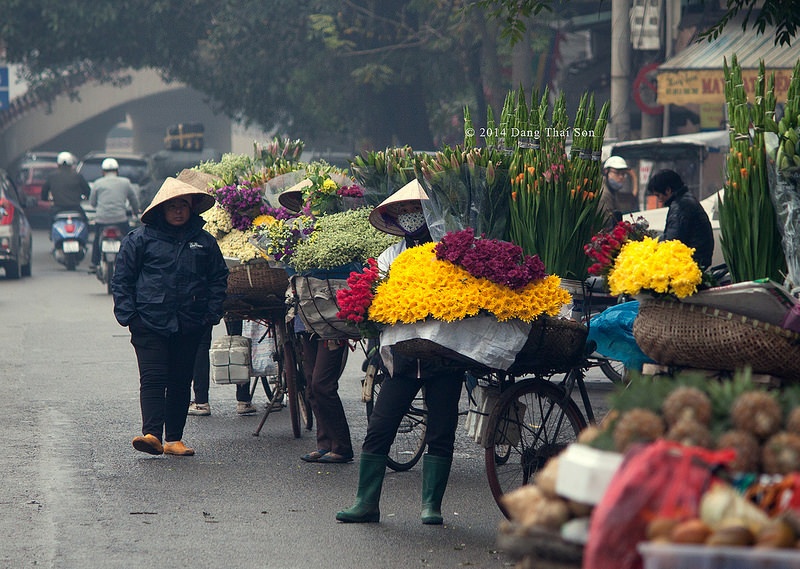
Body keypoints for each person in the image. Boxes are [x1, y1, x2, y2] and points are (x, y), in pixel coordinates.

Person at [336, 179, 464, 525]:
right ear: (394, 218)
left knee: (441, 430)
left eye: (415, 209)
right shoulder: (390, 256)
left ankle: (431, 506)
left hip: (445, 355)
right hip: (402, 359)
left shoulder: (448, 249)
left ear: (428, 213)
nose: (409, 215)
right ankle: (366, 503)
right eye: (402, 210)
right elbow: (375, 299)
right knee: (380, 426)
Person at [111, 177, 228, 456]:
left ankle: (174, 439)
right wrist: (130, 317)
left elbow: (218, 278)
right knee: (153, 378)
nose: (178, 211)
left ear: (191, 209)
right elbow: (122, 280)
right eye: (172, 206)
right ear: (161, 209)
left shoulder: (204, 242)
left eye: (183, 206)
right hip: (149, 322)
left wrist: (210, 314)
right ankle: (151, 434)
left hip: (190, 323)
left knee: (180, 380)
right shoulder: (139, 239)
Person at [188, 318, 259, 417]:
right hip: (233, 303)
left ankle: (201, 402)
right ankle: (244, 400)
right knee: (237, 338)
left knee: (202, 342)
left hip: (207, 305)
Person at [646, 168, 714, 269]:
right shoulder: (686, 200)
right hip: (698, 259)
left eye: (658, 195)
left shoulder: (680, 206)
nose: (659, 200)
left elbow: (672, 241)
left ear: (668, 190)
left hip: (691, 263)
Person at [89, 158, 141, 271]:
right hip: (120, 219)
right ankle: (132, 261)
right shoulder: (125, 182)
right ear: (117, 170)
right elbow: (134, 200)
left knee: (97, 237)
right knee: (129, 240)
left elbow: (92, 203)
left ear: (103, 171)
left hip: (101, 219)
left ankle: (94, 262)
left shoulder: (97, 183)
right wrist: (136, 212)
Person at [41, 151, 91, 222]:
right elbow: (87, 191)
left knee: (51, 223)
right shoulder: (78, 176)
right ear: (71, 164)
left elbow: (44, 192)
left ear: (58, 164)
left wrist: (45, 199)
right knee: (85, 223)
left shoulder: (52, 176)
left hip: (57, 208)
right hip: (75, 208)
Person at [598, 156, 637, 227]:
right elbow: (606, 224)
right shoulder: (604, 194)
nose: (621, 177)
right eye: (617, 173)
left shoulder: (612, 190)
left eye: (623, 174)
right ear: (606, 171)